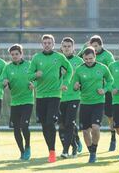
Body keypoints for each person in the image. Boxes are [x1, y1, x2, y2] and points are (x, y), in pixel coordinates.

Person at [28, 34, 73, 163]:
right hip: (41, 95)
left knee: (50, 122)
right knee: (44, 125)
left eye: (49, 43)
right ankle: (50, 150)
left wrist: (65, 83)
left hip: (55, 94)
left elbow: (69, 70)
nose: (47, 45)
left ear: (53, 44)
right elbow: (29, 76)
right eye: (45, 43)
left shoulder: (59, 57)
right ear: (42, 44)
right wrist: (35, 75)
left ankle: (52, 152)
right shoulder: (36, 58)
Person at [73, 47, 113, 163]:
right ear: (83, 58)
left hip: (98, 103)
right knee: (85, 131)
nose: (88, 60)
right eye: (86, 59)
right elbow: (75, 86)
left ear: (95, 56)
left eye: (91, 58)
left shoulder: (103, 68)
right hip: (85, 103)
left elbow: (110, 81)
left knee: (95, 127)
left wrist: (105, 90)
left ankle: (94, 150)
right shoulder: (79, 70)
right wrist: (76, 87)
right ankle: (91, 151)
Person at [0, 44, 34, 161]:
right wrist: (3, 82)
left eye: (17, 54)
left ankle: (28, 146)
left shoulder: (29, 65)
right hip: (15, 103)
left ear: (21, 54)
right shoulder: (7, 68)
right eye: (12, 54)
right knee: (16, 129)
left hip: (27, 101)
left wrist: (33, 85)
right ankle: (22, 152)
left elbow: (38, 79)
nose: (14, 56)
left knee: (24, 126)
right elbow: (1, 83)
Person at [88, 35, 116, 151]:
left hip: (106, 91)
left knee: (110, 116)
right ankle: (90, 143)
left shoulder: (108, 55)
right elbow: (79, 59)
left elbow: (112, 71)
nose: (94, 48)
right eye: (92, 46)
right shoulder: (89, 55)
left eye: (96, 46)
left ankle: (113, 137)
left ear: (101, 45)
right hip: (92, 91)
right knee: (90, 118)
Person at [58, 37, 84, 159]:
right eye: (65, 46)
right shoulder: (57, 60)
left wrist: (79, 84)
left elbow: (85, 77)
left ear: (73, 48)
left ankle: (65, 150)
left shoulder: (79, 61)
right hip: (58, 97)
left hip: (74, 97)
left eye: (69, 46)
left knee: (69, 123)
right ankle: (74, 144)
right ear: (61, 48)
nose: (67, 48)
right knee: (61, 125)